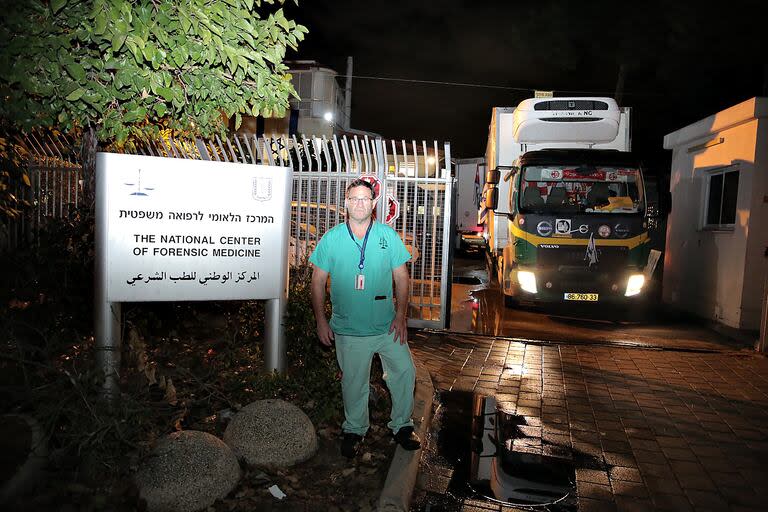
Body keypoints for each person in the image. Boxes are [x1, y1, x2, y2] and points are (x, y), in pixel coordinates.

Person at [309, 178, 421, 458]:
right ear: (346, 204)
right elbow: (317, 282)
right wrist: (321, 321)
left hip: (387, 326)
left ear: (373, 204)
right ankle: (355, 430)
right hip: (349, 329)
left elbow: (402, 278)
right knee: (353, 383)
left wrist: (401, 316)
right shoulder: (332, 238)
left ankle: (402, 426)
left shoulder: (387, 236)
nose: (360, 203)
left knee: (405, 372)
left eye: (365, 199)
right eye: (354, 199)